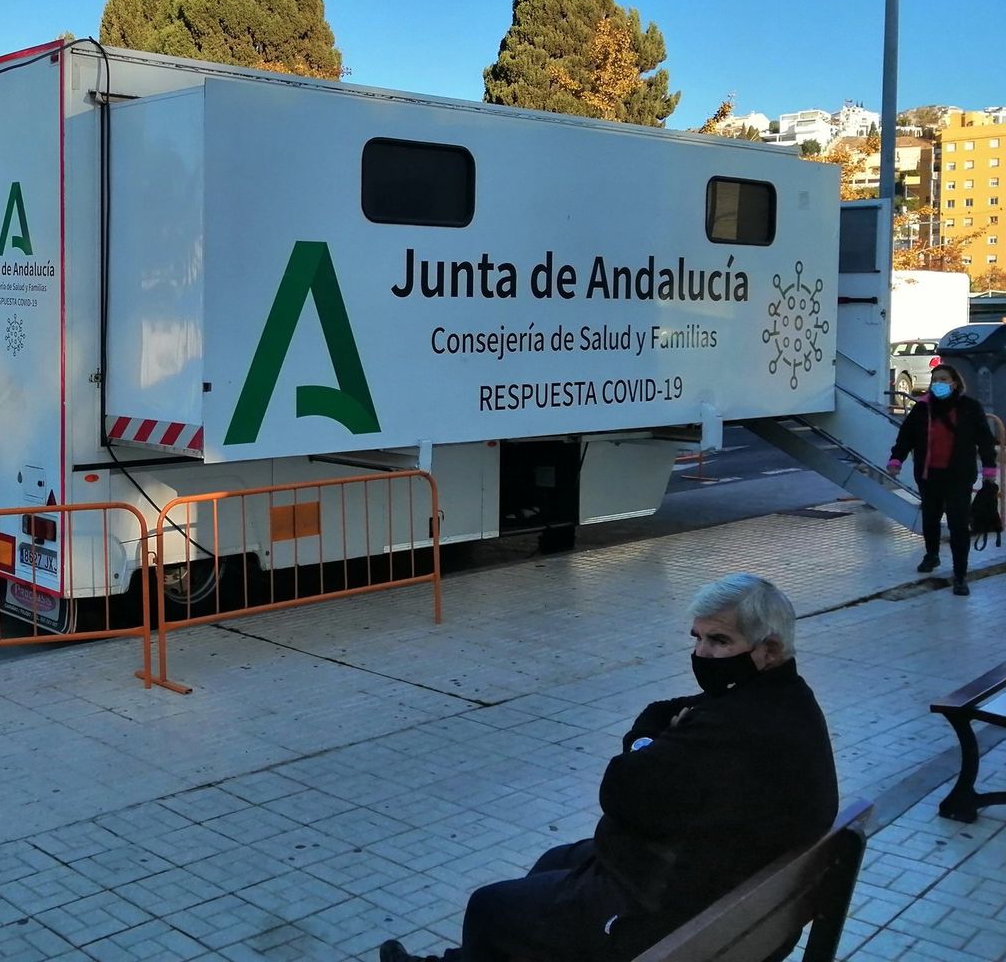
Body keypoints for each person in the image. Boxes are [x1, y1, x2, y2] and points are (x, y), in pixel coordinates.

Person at [377, 574, 838, 962]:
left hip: (671, 911)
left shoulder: (736, 728)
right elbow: (668, 711)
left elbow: (621, 791)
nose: (701, 654)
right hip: (727, 893)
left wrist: (641, 743)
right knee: (553, 862)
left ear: (769, 649)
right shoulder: (781, 699)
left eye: (719, 640)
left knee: (489, 907)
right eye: (696, 637)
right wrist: (656, 736)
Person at [887, 363, 997, 597]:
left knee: (959, 524)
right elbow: (906, 437)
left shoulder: (969, 407)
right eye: (935, 379)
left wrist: (989, 468)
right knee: (931, 518)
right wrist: (896, 460)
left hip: (959, 476)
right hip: (929, 475)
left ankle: (960, 575)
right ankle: (932, 555)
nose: (938, 384)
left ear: (954, 383)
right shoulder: (922, 409)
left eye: (943, 379)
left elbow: (985, 440)